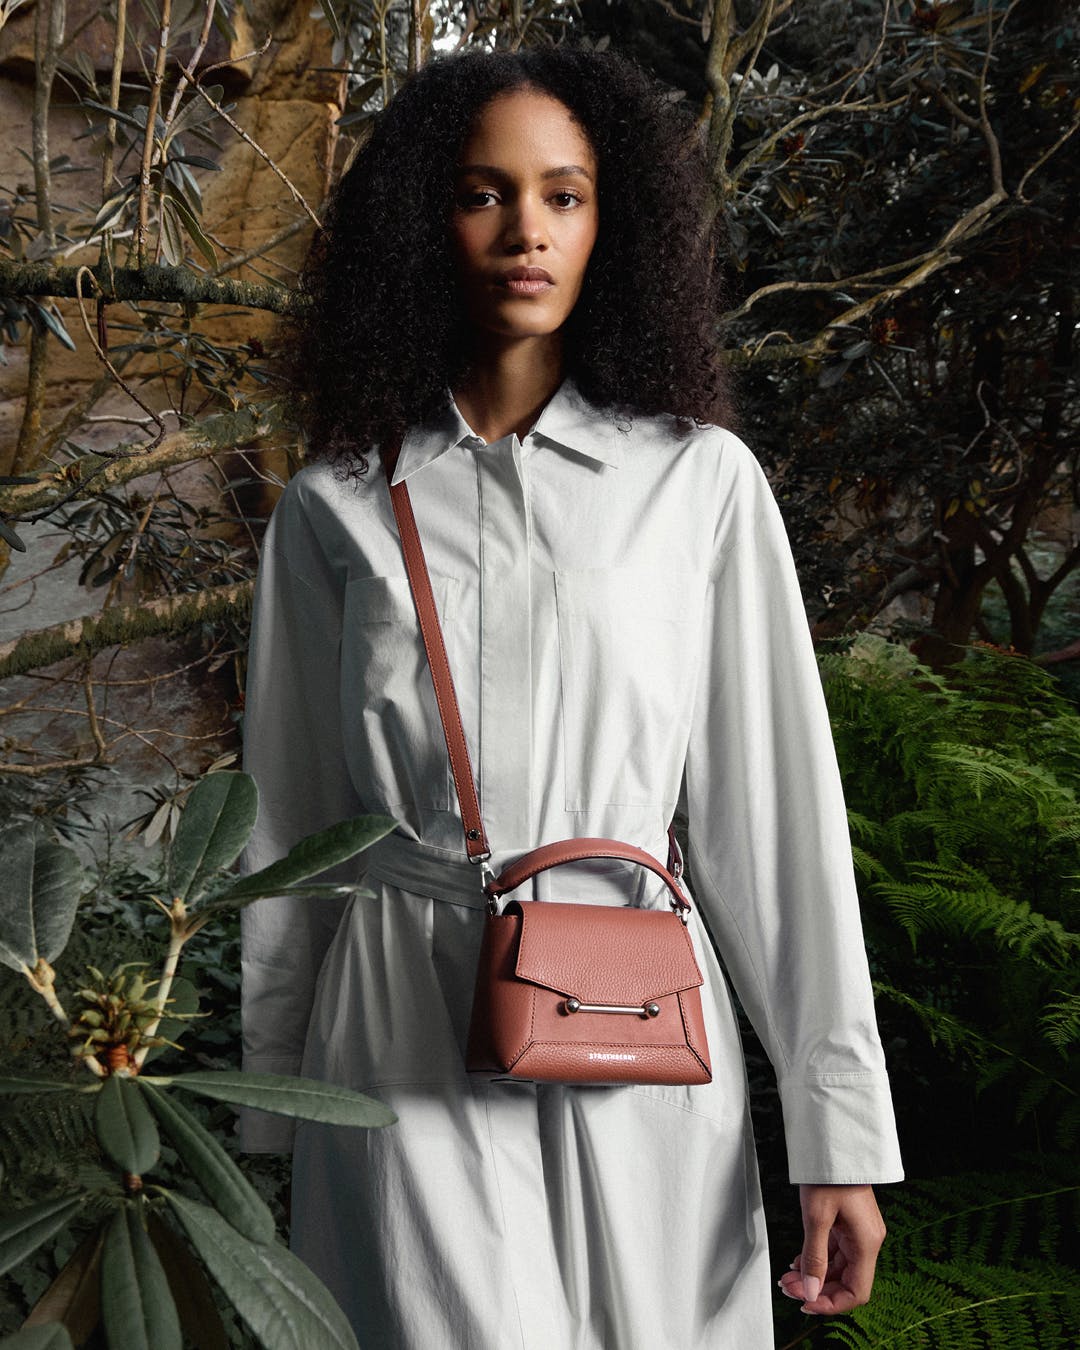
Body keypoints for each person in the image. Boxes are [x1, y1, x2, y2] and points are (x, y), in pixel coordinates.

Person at [238, 43, 904, 1349]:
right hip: (399, 1032)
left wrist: (839, 1135)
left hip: (640, 1018)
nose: (525, 231)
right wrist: (269, 1126)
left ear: (615, 223)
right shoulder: (336, 505)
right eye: (485, 192)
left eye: (565, 194)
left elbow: (777, 834)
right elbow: (288, 832)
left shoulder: (698, 485)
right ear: (427, 218)